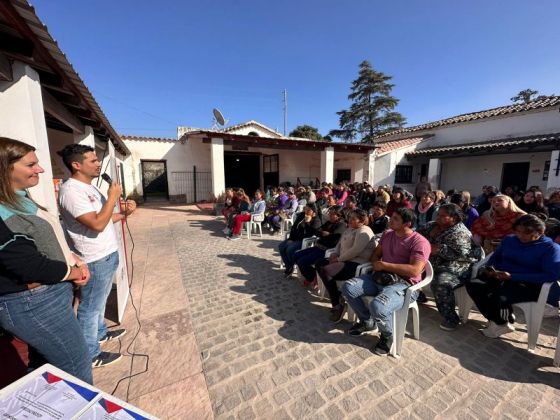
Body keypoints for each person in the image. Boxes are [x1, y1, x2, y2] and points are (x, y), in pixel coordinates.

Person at [0, 138, 92, 383]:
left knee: (48, 369)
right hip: (35, 303)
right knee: (76, 371)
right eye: (31, 165)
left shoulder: (19, 198)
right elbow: (26, 264)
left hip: (47, 297)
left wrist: (73, 260)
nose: (40, 169)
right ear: (5, 168)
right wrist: (73, 273)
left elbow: (44, 240)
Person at [58, 144, 135, 368]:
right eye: (92, 160)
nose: (98, 163)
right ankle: (90, 354)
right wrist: (112, 196)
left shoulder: (90, 188)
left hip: (107, 253)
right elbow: (97, 224)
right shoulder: (72, 191)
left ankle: (101, 333)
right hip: (94, 258)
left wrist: (124, 213)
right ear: (76, 164)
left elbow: (104, 218)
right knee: (90, 308)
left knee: (98, 303)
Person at [341, 208, 431, 355]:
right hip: (381, 277)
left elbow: (415, 270)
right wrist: (377, 264)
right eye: (392, 217)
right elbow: (376, 255)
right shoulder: (388, 234)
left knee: (378, 306)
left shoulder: (419, 242)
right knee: (348, 287)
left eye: (395, 219)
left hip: (404, 285)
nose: (390, 220)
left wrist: (385, 265)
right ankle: (367, 322)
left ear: (407, 224)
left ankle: (388, 336)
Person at [466, 215, 560, 338]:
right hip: (501, 276)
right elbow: (496, 257)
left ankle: (501, 322)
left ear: (540, 232)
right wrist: (490, 268)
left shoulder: (551, 249)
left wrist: (513, 277)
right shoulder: (510, 240)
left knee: (498, 296)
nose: (520, 236)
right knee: (474, 285)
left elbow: (550, 275)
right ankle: (502, 318)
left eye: (526, 232)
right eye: (518, 231)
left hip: (529, 285)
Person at [418, 204, 477, 330]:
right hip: (432, 261)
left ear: (454, 218)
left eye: (443, 216)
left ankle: (451, 318)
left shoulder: (460, 233)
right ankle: (417, 295)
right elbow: (416, 236)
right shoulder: (431, 225)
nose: (438, 218)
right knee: (408, 266)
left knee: (441, 283)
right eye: (438, 214)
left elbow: (462, 255)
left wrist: (439, 249)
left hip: (458, 266)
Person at [315, 209, 375, 322]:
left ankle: (337, 304)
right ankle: (338, 296)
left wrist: (338, 259)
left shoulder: (364, 232)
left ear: (361, 221)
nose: (350, 220)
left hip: (356, 264)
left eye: (353, 218)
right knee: (320, 264)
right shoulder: (350, 229)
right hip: (343, 260)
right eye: (350, 217)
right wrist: (334, 253)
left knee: (326, 271)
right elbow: (340, 244)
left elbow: (355, 251)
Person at [294, 206, 347, 286]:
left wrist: (325, 235)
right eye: (330, 213)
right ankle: (314, 276)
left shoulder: (341, 225)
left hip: (325, 251)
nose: (329, 215)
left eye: (332, 214)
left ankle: (312, 278)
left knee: (302, 261)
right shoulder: (329, 222)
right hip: (318, 247)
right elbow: (317, 231)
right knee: (296, 255)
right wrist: (323, 234)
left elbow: (333, 239)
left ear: (338, 215)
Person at [279, 204, 322, 277]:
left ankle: (290, 267)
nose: (306, 211)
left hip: (303, 240)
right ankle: (289, 266)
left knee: (289, 249)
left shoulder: (316, 220)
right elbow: (294, 227)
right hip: (294, 238)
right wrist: (291, 238)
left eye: (308, 210)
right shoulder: (302, 215)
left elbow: (310, 234)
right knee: (281, 246)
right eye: (305, 209)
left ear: (314, 212)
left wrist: (307, 223)